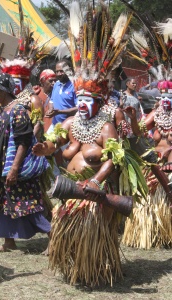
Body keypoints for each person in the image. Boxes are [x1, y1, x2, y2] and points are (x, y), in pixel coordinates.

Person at [32, 3, 137, 286]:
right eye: (79, 100)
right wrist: (46, 148)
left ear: (99, 100)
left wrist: (99, 180)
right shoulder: (70, 123)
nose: (81, 105)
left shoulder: (105, 125)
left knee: (94, 235)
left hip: (95, 193)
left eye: (87, 100)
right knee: (68, 231)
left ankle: (98, 271)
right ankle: (76, 269)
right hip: (70, 190)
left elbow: (115, 157)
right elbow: (55, 141)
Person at [0, 73, 51, 252]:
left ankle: (53, 237)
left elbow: (24, 142)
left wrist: (14, 168)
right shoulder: (1, 110)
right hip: (2, 166)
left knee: (28, 203)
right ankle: (8, 241)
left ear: (4, 90)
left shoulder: (19, 110)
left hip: (18, 166)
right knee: (2, 201)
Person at [122, 100, 172, 248]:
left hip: (170, 165)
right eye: (163, 97)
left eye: (169, 96)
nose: (166, 100)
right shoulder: (157, 114)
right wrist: (132, 119)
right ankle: (152, 234)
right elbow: (138, 132)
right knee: (146, 198)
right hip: (155, 163)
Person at [45, 59, 78, 130]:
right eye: (57, 71)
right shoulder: (56, 84)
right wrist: (51, 109)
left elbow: (78, 108)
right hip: (54, 125)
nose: (59, 74)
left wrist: (60, 112)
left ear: (69, 70)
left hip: (69, 127)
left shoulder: (75, 86)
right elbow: (52, 101)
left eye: (61, 71)